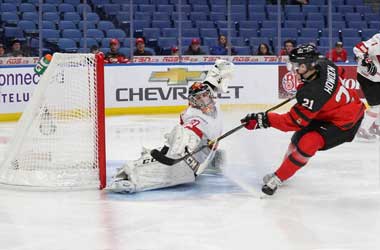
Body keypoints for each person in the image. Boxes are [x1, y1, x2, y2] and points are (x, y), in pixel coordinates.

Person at [241, 44, 365, 195]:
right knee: (298, 138)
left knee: (309, 142)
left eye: (297, 66)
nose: (294, 69)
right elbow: (342, 72)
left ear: (308, 66)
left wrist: (264, 120)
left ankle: (278, 178)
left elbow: (292, 122)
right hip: (326, 112)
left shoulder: (312, 93)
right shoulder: (325, 64)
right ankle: (283, 171)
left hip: (346, 122)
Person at [107, 60, 234, 193]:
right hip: (192, 157)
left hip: (205, 155)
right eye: (199, 98)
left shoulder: (212, 97)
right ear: (193, 102)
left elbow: (217, 73)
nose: (204, 100)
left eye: (205, 96)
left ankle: (211, 159)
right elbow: (186, 133)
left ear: (210, 94)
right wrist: (181, 148)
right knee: (159, 164)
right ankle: (130, 179)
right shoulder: (194, 117)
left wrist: (222, 67)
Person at [353, 33, 380, 140]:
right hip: (368, 78)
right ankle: (362, 129)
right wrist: (368, 62)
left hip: (377, 78)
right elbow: (358, 48)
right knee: (377, 106)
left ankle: (376, 126)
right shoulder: (378, 41)